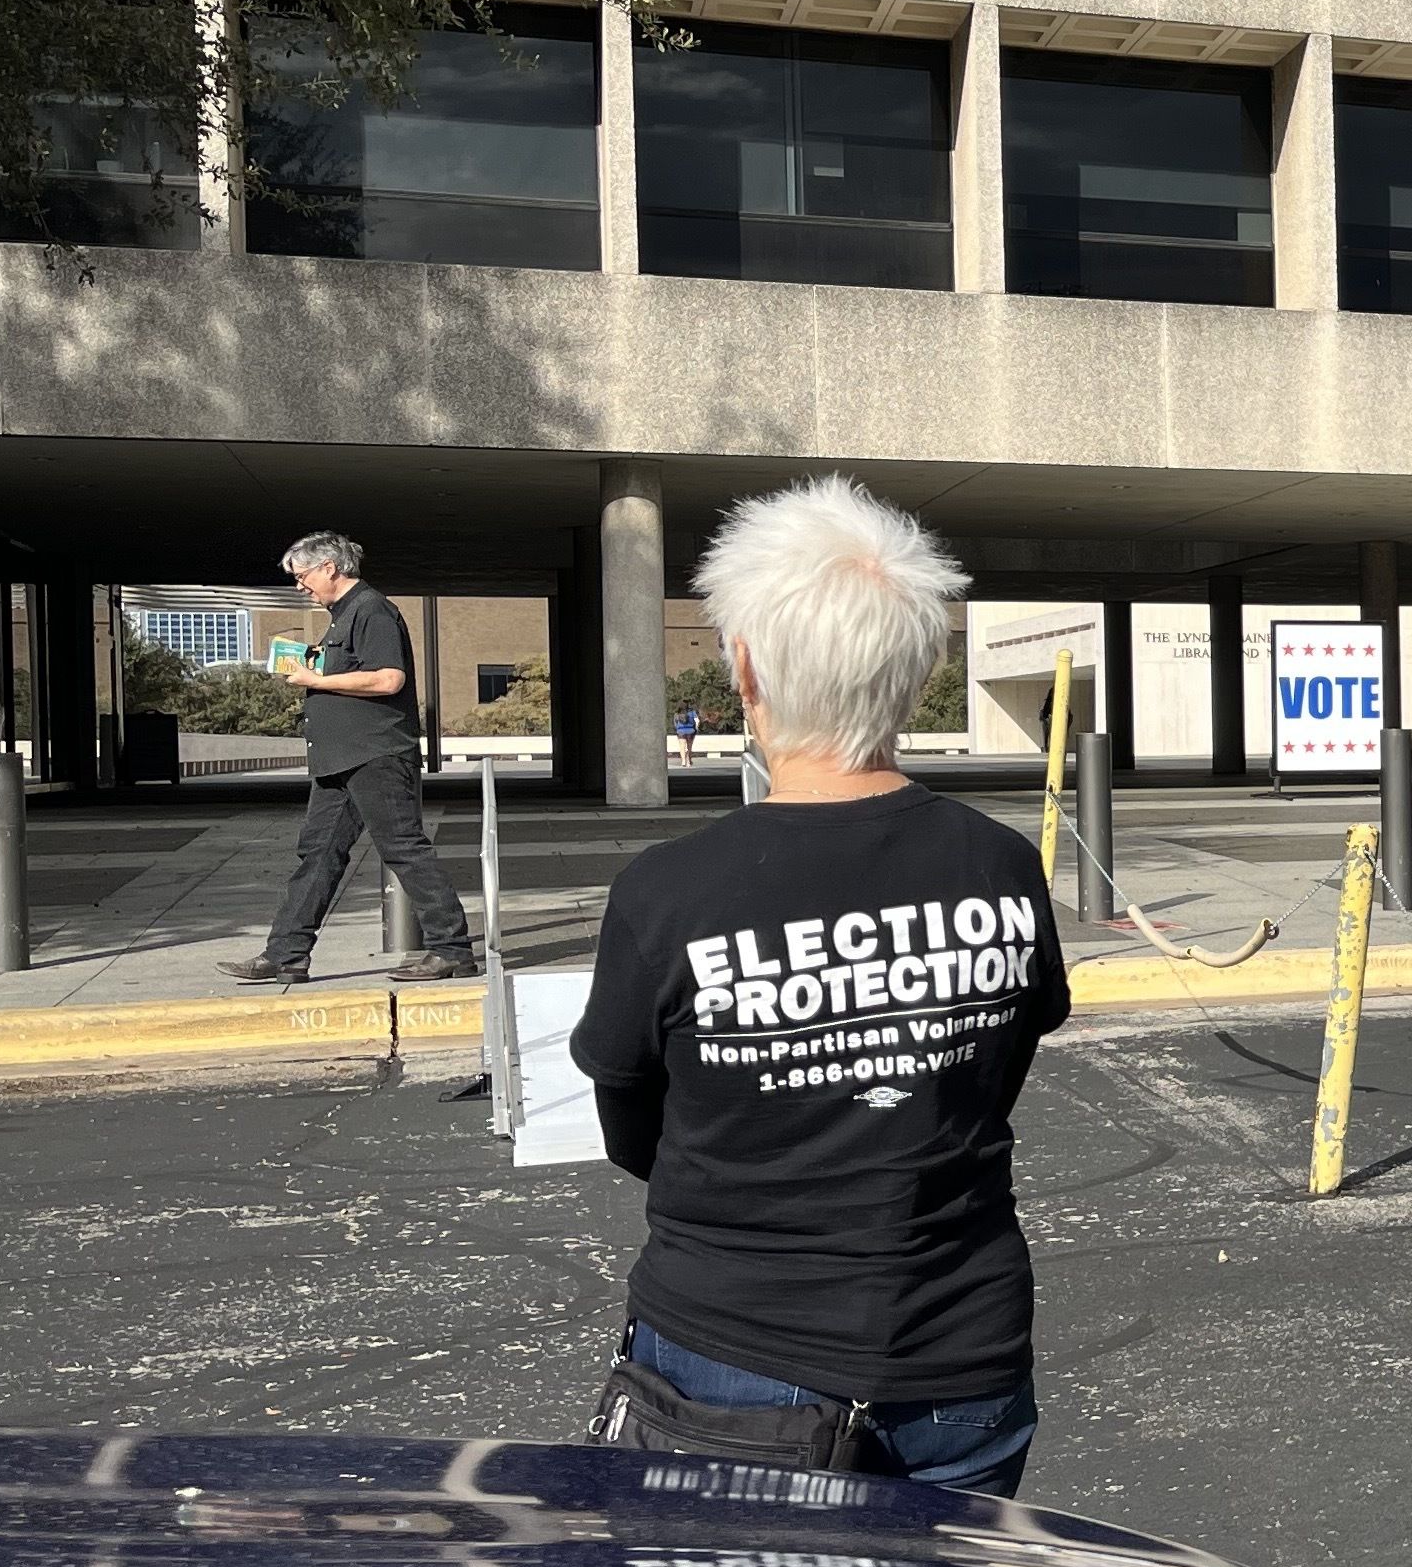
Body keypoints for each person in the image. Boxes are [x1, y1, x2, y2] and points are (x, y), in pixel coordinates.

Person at [571, 476, 1069, 1496]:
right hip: (962, 1353)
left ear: (745, 665)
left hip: (729, 1354)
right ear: (922, 665)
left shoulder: (667, 893)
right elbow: (996, 1065)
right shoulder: (1001, 865)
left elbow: (630, 1121)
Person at [222, 532, 477, 986]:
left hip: (375, 754)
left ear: (329, 568)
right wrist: (318, 667)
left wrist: (315, 681)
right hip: (340, 759)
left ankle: (452, 950)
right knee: (317, 855)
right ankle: (286, 955)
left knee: (403, 848)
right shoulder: (342, 617)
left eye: (302, 577)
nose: (300, 586)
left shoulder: (371, 610)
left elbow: (388, 680)